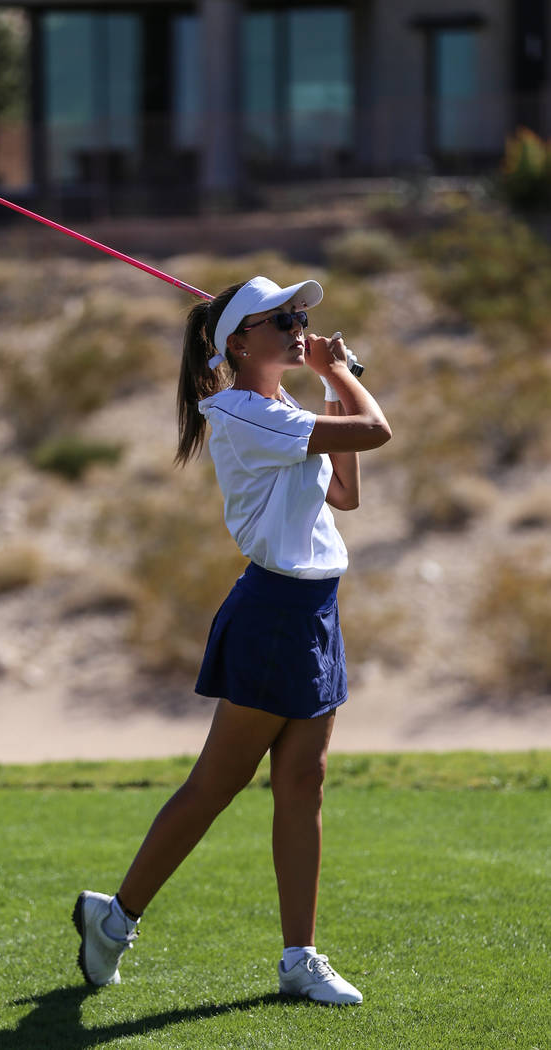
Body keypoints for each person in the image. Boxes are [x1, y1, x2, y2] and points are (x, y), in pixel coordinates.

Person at [72, 275, 392, 1006]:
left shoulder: (280, 409)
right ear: (240, 342)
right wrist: (338, 371)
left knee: (302, 783)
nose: (297, 323)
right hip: (273, 613)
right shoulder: (243, 413)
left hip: (315, 609)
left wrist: (330, 389)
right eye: (282, 317)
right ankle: (114, 920)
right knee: (217, 784)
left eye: (300, 314)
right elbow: (379, 433)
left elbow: (346, 493)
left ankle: (299, 958)